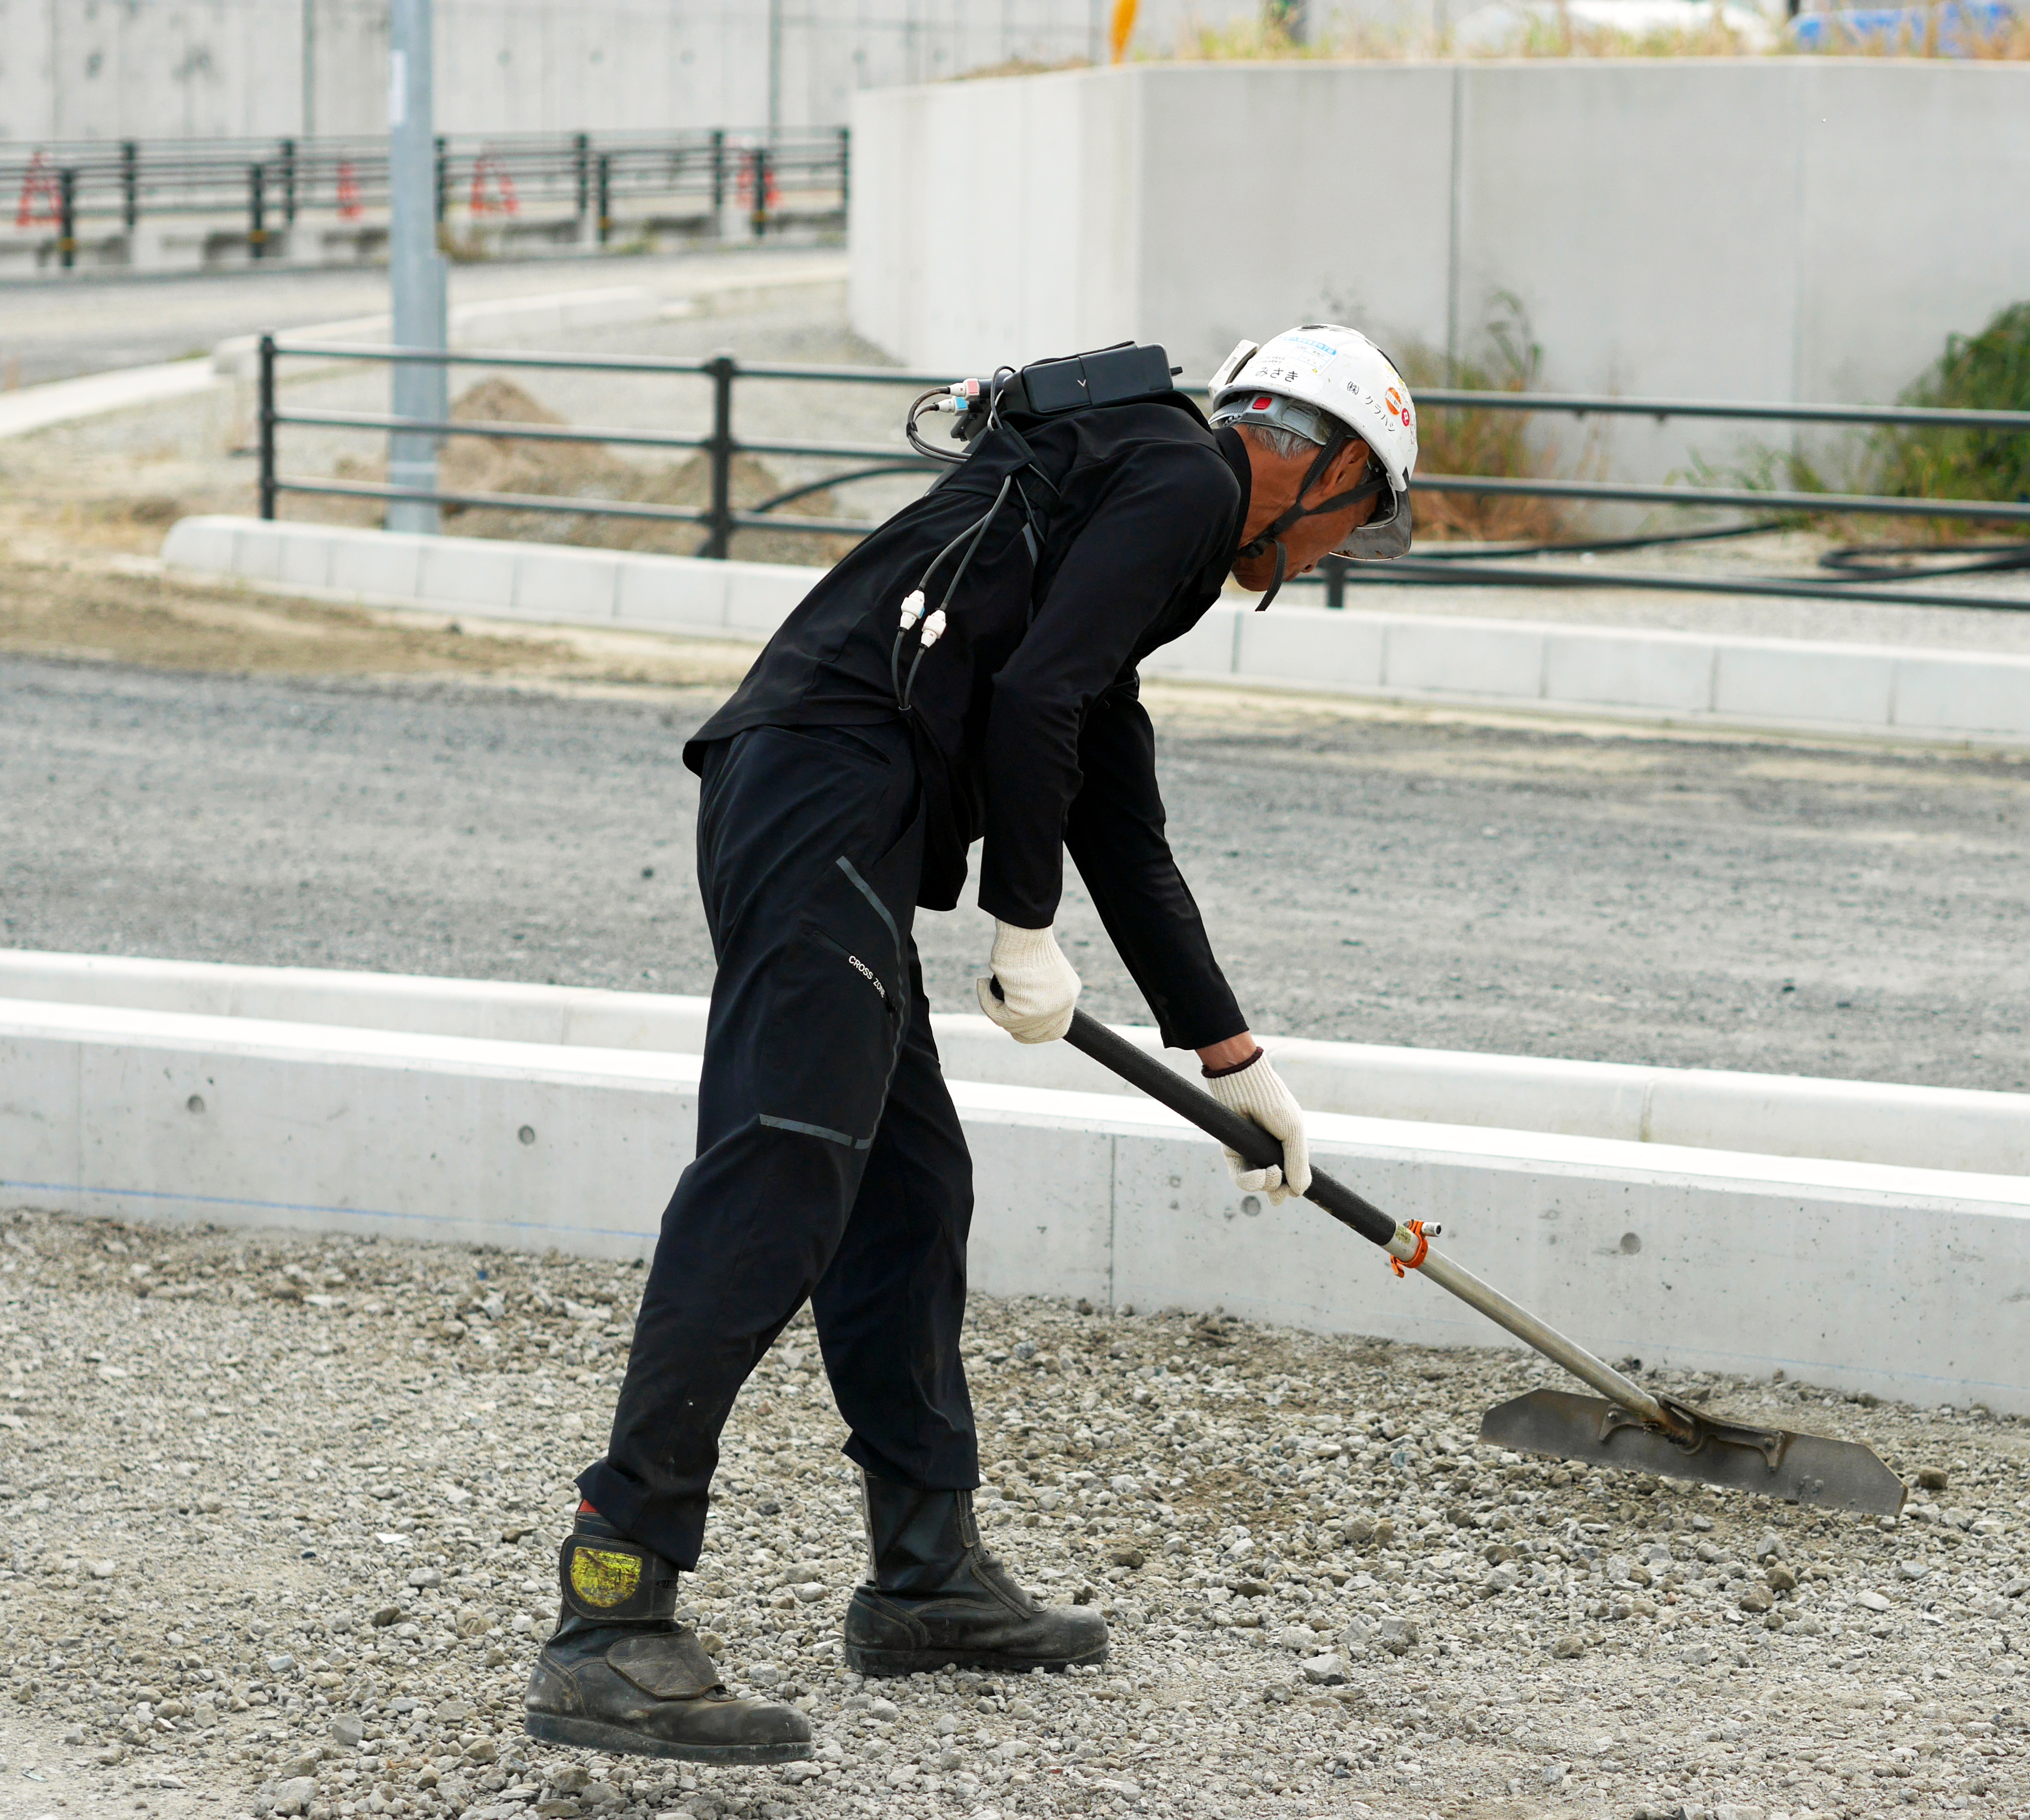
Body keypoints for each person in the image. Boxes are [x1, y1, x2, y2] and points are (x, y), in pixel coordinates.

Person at [524, 325, 1422, 1761]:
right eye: (1350, 515)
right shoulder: (1189, 481)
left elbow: (1116, 815)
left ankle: (924, 1572)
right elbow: (1031, 701)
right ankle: (611, 1610)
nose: (1323, 556)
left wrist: (1239, 1068)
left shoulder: (1130, 510)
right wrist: (1017, 923)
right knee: (783, 1172)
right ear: (1309, 460)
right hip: (822, 777)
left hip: (833, 798)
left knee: (908, 1184)